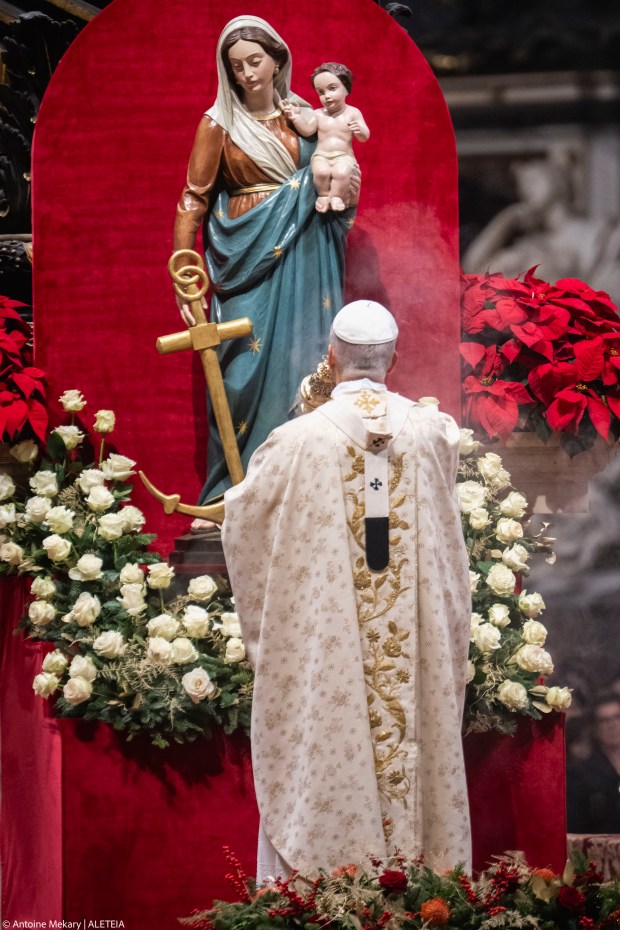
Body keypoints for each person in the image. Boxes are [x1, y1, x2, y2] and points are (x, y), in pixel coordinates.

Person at [222, 300, 472, 879]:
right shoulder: (435, 435)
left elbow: (246, 524)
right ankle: (422, 889)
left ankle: (321, 887)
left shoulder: (294, 442)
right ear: (395, 358)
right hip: (414, 652)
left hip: (328, 647)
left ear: (331, 358)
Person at [173, 16, 358, 506]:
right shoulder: (219, 124)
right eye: (236, 67)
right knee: (238, 379)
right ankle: (235, 491)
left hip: (306, 249)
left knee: (308, 362)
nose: (247, 74)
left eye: (255, 61)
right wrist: (182, 270)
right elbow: (194, 197)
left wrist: (347, 187)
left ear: (278, 60)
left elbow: (338, 169)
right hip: (243, 253)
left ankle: (309, 493)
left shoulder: (306, 117)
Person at [282, 62, 369, 213]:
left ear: (346, 88)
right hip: (321, 155)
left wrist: (360, 130)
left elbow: (364, 137)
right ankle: (323, 195)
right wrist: (296, 117)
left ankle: (336, 196)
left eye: (332, 88)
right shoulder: (318, 114)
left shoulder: (353, 112)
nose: (327, 96)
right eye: (321, 92)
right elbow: (308, 130)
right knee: (321, 172)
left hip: (344, 156)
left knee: (341, 173)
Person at [567, 692, 620, 833]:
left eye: (617, 717)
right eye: (604, 720)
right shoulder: (579, 774)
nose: (612, 725)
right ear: (595, 727)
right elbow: (575, 828)